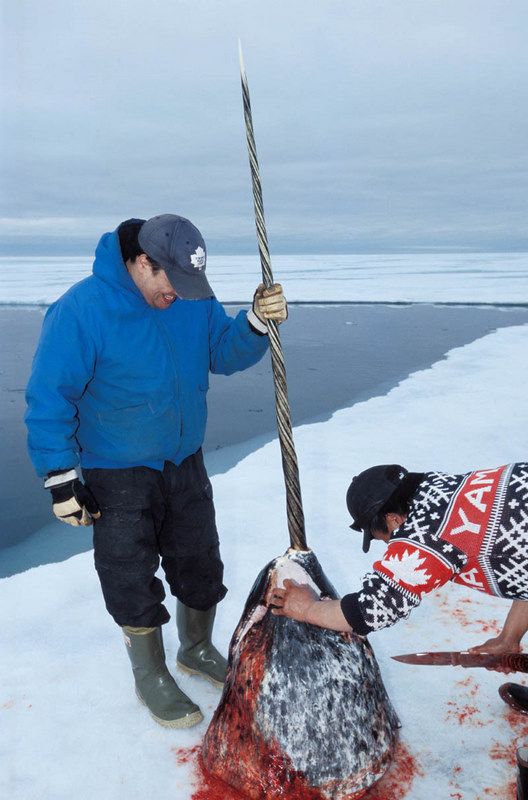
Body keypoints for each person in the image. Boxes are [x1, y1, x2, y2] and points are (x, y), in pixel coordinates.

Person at [25, 213, 287, 729]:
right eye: (170, 279)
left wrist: (254, 324)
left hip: (183, 460)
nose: (179, 293)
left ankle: (195, 647)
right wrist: (60, 479)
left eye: (190, 283)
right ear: (141, 262)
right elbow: (49, 396)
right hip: (117, 471)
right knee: (129, 574)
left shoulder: (188, 297)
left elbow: (222, 351)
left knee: (201, 562)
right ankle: (150, 674)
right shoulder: (81, 311)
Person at [271, 463, 528, 678]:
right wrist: (509, 637)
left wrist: (306, 609)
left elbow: (368, 612)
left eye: (380, 535)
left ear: (393, 518)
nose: (388, 544)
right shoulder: (438, 485)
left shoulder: (427, 533)